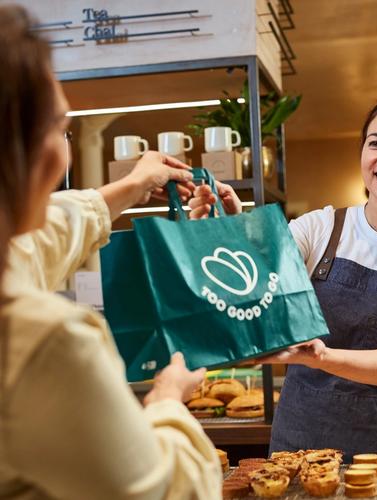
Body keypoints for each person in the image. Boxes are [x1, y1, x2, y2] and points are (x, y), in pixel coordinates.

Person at [0, 5, 221, 499]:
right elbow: (162, 491)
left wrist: (132, 186)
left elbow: (37, 240)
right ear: (24, 150)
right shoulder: (48, 343)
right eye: (60, 128)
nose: (64, 149)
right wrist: (166, 401)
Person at [189, 93, 377, 463]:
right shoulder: (318, 229)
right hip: (299, 450)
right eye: (376, 142)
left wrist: (319, 357)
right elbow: (250, 293)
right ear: (362, 154)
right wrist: (223, 235)